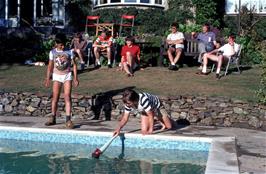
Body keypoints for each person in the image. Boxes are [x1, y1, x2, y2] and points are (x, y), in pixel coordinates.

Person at [44, 33, 79, 129]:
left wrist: (76, 78)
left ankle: (68, 120)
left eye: (63, 44)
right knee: (55, 97)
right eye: (60, 45)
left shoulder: (69, 52)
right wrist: (48, 78)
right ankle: (53, 117)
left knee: (67, 96)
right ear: (56, 43)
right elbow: (50, 66)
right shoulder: (52, 52)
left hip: (67, 76)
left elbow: (74, 65)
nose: (63, 46)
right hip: (56, 76)